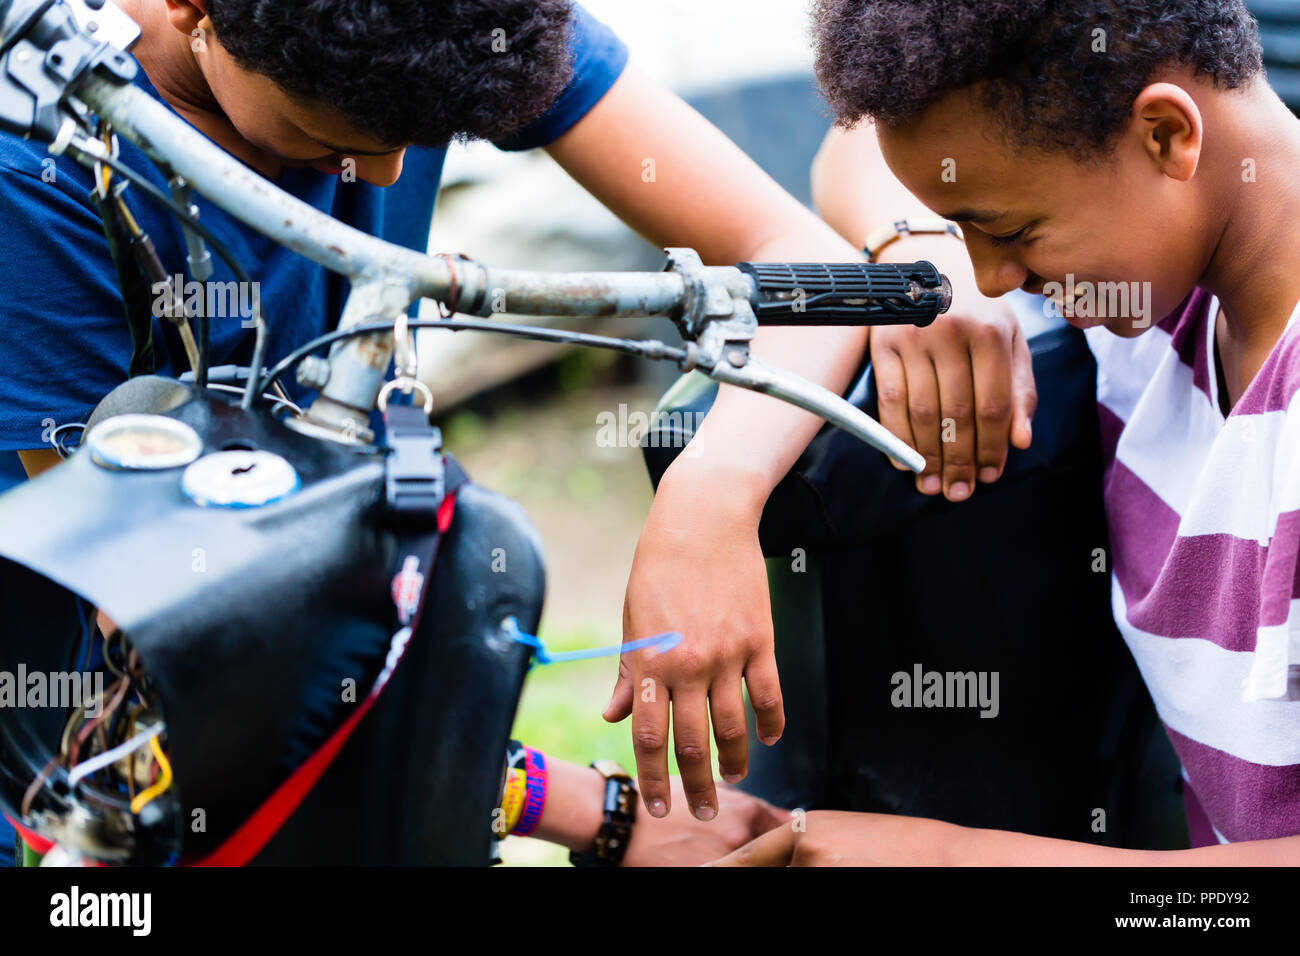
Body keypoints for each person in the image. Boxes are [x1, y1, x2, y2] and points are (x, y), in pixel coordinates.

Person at [0, 0, 854, 860]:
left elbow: (809, 271)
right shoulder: (39, 160)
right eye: (333, 132)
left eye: (433, 134)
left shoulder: (445, 25)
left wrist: (711, 497)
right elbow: (205, 646)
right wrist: (591, 810)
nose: (387, 175)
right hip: (108, 784)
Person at [712, 0, 1300, 863]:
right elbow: (852, 148)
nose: (991, 279)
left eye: (1010, 231)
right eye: (967, 231)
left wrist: (950, 858)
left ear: (1168, 134)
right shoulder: (1147, 297)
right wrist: (924, 250)